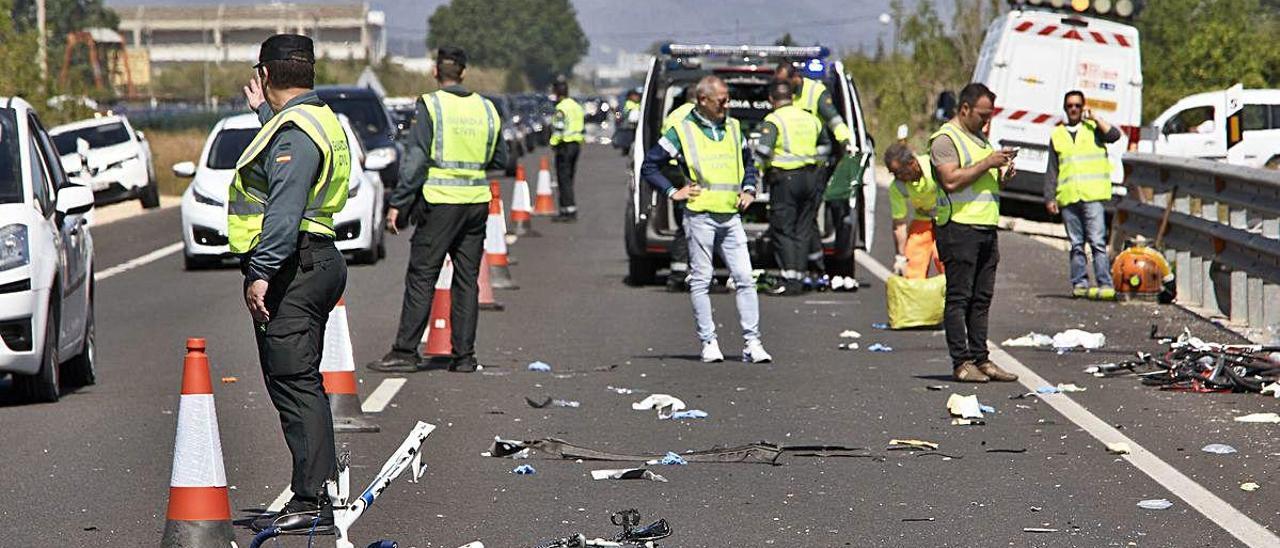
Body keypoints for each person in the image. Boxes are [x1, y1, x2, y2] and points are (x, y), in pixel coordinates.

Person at [232, 34, 350, 533]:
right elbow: (287, 156)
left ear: (265, 73)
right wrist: (265, 113)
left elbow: (283, 208)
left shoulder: (297, 130)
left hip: (294, 267)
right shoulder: (312, 118)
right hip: (316, 259)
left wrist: (261, 272)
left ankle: (310, 499)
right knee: (301, 379)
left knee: (293, 381)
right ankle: (319, 484)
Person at [366, 46, 507, 374]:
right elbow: (499, 159)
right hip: (475, 202)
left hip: (441, 203)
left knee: (422, 276)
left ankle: (404, 351)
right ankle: (464, 356)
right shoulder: (486, 108)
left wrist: (399, 203)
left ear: (435, 71)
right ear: (463, 72)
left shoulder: (431, 105)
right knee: (466, 279)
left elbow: (415, 162)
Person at [640, 75, 773, 364]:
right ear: (703, 100)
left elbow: (748, 163)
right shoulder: (682, 131)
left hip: (731, 216)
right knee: (701, 280)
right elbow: (650, 165)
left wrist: (749, 189)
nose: (727, 105)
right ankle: (709, 342)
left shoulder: (734, 128)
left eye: (727, 99)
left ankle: (752, 342)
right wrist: (673, 191)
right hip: (700, 216)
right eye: (721, 100)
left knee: (745, 279)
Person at [929, 82, 1018, 384]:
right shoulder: (945, 139)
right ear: (964, 109)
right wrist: (988, 162)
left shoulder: (980, 139)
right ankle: (962, 362)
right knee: (959, 298)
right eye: (982, 115)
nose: (987, 121)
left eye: (990, 115)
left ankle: (981, 358)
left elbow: (981, 181)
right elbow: (951, 181)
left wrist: (1001, 173)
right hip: (958, 228)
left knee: (982, 298)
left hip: (985, 227)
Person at [775, 62, 853, 278]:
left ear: (796, 77)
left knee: (807, 219)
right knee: (802, 220)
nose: (781, 87)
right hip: (789, 166)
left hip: (815, 165)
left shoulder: (814, 92)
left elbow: (834, 119)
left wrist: (847, 143)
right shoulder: (786, 97)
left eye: (784, 82)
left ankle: (815, 266)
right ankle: (808, 265)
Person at [754, 80, 831, 295]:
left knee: (783, 228)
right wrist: (814, 164)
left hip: (785, 180)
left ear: (771, 99)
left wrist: (754, 175)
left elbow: (763, 151)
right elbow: (826, 146)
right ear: (793, 98)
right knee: (803, 227)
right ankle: (800, 275)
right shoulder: (811, 118)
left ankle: (790, 279)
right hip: (810, 178)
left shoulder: (774, 119)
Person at [1045, 90, 1120, 299]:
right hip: (1069, 196)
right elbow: (1052, 169)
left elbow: (1114, 136)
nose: (1074, 109)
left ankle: (1104, 283)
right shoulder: (1058, 134)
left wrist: (1094, 116)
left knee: (1097, 241)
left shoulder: (1093, 129)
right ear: (1065, 108)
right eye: (1070, 106)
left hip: (1092, 195)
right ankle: (1080, 283)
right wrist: (1049, 197)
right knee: (1076, 244)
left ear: (1083, 107)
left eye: (1078, 105)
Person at [659, 84, 697, 292]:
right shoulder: (696, 116)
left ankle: (679, 271)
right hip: (687, 171)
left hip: (672, 171)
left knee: (683, 221)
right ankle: (681, 273)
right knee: (690, 223)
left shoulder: (673, 115)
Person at [884, 143, 942, 279]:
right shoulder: (898, 186)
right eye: (893, 173)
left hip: (946, 218)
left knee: (943, 258)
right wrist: (900, 256)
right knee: (913, 262)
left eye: (899, 172)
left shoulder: (933, 166)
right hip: (923, 218)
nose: (897, 177)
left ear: (912, 163)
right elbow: (900, 223)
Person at [550, 80, 585, 222]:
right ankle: (567, 208)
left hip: (565, 145)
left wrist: (553, 143)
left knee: (563, 179)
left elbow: (558, 129)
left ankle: (568, 210)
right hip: (576, 144)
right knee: (569, 177)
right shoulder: (576, 106)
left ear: (557, 93)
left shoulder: (561, 108)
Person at [615, 88, 641, 155]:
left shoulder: (640, 104)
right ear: (630, 96)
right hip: (627, 126)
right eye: (634, 96)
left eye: (637, 96)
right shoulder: (627, 104)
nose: (636, 97)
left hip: (635, 126)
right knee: (627, 140)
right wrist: (618, 118)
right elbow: (618, 112)